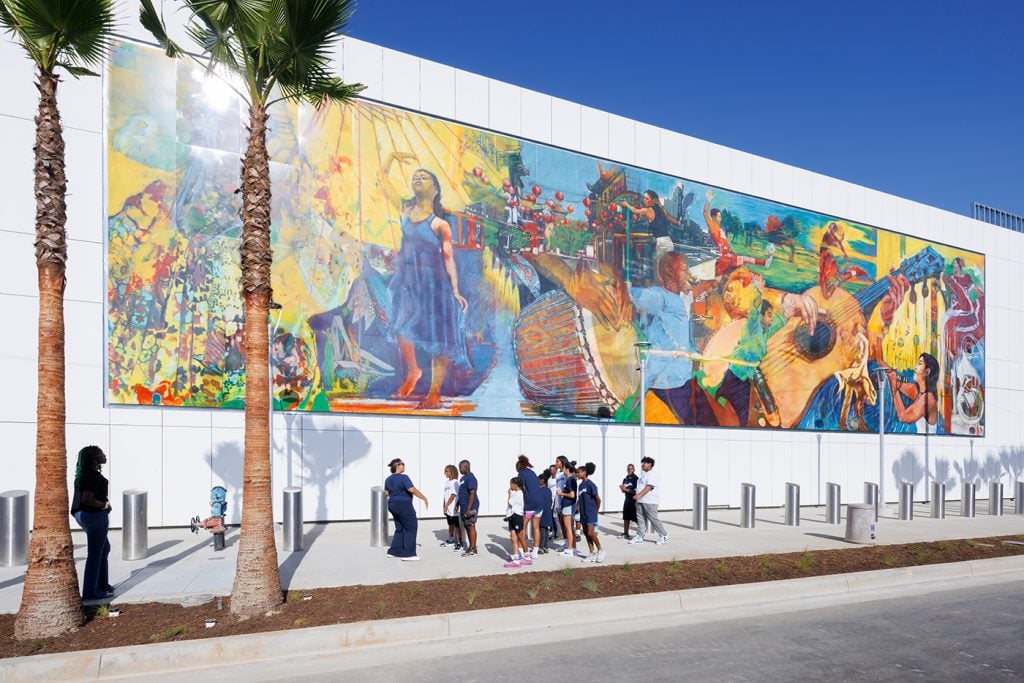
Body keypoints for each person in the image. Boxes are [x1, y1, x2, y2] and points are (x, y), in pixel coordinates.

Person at [380, 153, 470, 410]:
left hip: (434, 285)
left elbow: (449, 258)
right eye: (415, 176)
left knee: (437, 336)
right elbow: (382, 179)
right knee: (400, 326)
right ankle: (413, 371)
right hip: (407, 281)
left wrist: (455, 290)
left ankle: (434, 392)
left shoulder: (440, 224)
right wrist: (392, 159)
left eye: (424, 177)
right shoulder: (405, 211)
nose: (418, 178)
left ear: (435, 189)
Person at [71, 445, 113, 601]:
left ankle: (102, 585)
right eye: (101, 453)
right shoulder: (92, 475)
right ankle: (91, 592)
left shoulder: (83, 475)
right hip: (93, 516)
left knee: (105, 548)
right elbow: (87, 499)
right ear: (94, 458)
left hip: (82, 515)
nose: (104, 455)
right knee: (95, 553)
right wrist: (103, 505)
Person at [384, 458, 429, 561]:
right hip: (403, 504)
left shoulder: (388, 479)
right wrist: (424, 498)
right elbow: (411, 489)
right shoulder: (404, 477)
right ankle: (409, 554)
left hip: (392, 504)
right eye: (402, 464)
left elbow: (386, 493)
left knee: (400, 528)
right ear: (397, 466)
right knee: (411, 526)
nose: (404, 466)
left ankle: (394, 551)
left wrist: (396, 493)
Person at [885, 353, 940, 434]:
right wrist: (892, 376)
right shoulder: (920, 391)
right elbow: (899, 385)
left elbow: (903, 417)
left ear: (927, 371)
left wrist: (894, 390)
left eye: (920, 364)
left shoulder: (928, 398)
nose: (915, 367)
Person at [621, 189, 683, 257]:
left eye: (647, 199)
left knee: (659, 264)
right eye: (644, 198)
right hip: (668, 242)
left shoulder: (648, 210)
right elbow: (668, 217)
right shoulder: (662, 209)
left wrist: (626, 204)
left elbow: (635, 210)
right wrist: (677, 222)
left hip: (660, 242)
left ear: (653, 200)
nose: (644, 200)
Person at [630, 456, 669, 545]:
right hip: (641, 501)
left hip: (650, 501)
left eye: (645, 463)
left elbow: (649, 487)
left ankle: (664, 535)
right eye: (642, 463)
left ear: (650, 465)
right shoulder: (644, 475)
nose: (643, 464)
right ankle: (640, 536)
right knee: (640, 519)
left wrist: (639, 495)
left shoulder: (652, 475)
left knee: (653, 519)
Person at [515, 454, 545, 560]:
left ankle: (521, 550)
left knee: (521, 527)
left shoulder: (521, 474)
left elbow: (521, 489)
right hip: (540, 503)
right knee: (536, 527)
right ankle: (535, 551)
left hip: (529, 504)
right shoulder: (532, 472)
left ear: (519, 467)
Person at [576, 463, 605, 563]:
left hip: (591, 513)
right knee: (586, 534)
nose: (577, 474)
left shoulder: (590, 485)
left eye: (578, 472)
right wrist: (578, 506)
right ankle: (592, 553)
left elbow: (598, 499)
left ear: (584, 473)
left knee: (591, 533)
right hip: (583, 513)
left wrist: (595, 511)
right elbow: (580, 499)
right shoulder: (580, 486)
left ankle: (601, 550)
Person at [503, 477, 532, 568]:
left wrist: (509, 494)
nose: (510, 486)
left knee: (520, 536)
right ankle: (516, 558)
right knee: (513, 536)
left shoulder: (518, 493)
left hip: (517, 516)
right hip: (512, 516)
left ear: (515, 485)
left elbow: (510, 503)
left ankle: (527, 556)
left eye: (511, 484)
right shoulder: (516, 493)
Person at [555, 456, 577, 557]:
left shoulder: (570, 479)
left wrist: (561, 494)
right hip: (562, 503)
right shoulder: (564, 477)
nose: (556, 463)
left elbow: (572, 494)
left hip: (568, 504)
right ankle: (567, 545)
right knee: (564, 526)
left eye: (557, 461)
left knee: (569, 527)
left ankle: (572, 549)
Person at [457, 459, 480, 556]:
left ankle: (473, 548)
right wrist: (457, 504)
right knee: (467, 526)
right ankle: (471, 546)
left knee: (471, 526)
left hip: (470, 507)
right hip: (463, 506)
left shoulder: (471, 478)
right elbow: (462, 492)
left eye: (460, 467)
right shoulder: (463, 478)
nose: (459, 469)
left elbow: (472, 493)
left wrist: (469, 509)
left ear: (466, 467)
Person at [440, 464, 462, 550]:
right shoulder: (447, 482)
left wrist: (447, 505)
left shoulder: (455, 482)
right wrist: (444, 505)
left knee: (457, 525)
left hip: (453, 508)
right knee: (450, 524)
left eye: (447, 471)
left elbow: (453, 495)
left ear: (452, 472)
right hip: (447, 508)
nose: (445, 473)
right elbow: (445, 496)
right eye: (445, 471)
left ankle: (460, 542)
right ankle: (451, 540)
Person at [619, 463, 639, 539]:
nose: (629, 470)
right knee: (626, 517)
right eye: (628, 468)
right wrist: (622, 489)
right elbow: (624, 490)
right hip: (627, 500)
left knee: (636, 518)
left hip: (633, 501)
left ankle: (641, 533)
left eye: (631, 468)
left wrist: (626, 489)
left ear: (634, 469)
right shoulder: (625, 479)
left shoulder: (636, 479)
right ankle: (626, 533)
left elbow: (636, 491)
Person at [537, 469, 555, 553]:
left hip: (542, 512)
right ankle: (546, 546)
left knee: (541, 529)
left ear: (542, 480)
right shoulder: (548, 491)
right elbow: (551, 501)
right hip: (548, 511)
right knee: (546, 529)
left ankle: (540, 546)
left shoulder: (539, 490)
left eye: (538, 480)